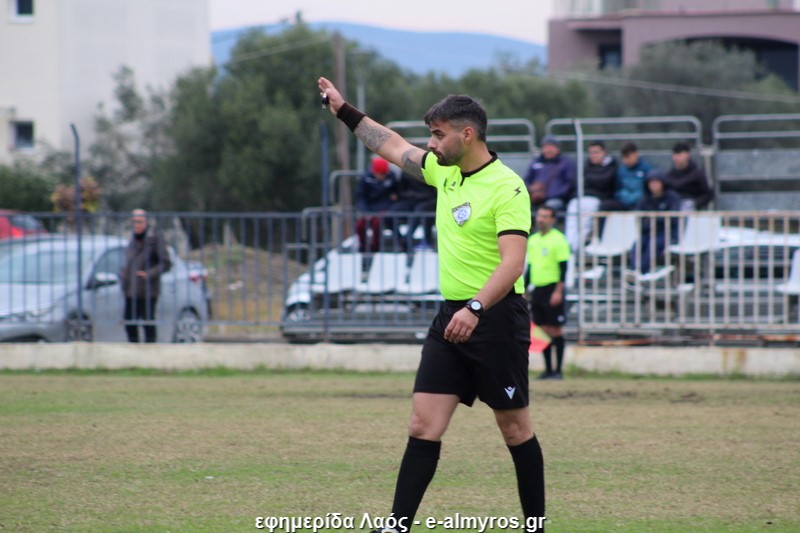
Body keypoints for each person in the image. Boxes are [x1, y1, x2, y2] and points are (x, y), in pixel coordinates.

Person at [318, 76, 546, 532]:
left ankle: (535, 526)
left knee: (515, 429)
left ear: (468, 134)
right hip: (450, 318)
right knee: (423, 425)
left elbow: (513, 264)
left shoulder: (508, 188)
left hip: (495, 319)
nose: (431, 144)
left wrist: (475, 309)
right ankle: (396, 526)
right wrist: (344, 111)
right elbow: (392, 146)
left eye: (438, 134)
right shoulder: (444, 172)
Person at [527, 206, 571, 380]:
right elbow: (530, 267)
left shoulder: (559, 239)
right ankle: (548, 370)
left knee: (555, 329)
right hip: (538, 289)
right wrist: (524, 289)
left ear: (552, 220)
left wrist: (558, 291)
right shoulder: (533, 240)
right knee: (542, 330)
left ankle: (558, 370)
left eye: (545, 216)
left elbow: (563, 268)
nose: (541, 219)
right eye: (539, 216)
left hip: (552, 288)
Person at [120, 209, 171, 343]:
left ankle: (150, 349)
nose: (136, 225)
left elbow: (166, 263)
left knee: (148, 322)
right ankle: (134, 348)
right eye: (134, 221)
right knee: (129, 321)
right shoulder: (132, 240)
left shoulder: (155, 239)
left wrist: (149, 274)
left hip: (148, 290)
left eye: (139, 221)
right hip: (131, 289)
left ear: (146, 222)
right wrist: (124, 272)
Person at [564, 140, 618, 251]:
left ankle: (577, 250)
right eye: (591, 153)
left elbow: (604, 182)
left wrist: (591, 180)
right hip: (579, 198)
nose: (593, 155)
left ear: (604, 152)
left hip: (596, 199)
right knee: (571, 222)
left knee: (585, 225)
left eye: (596, 152)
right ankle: (569, 249)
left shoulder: (611, 166)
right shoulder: (586, 166)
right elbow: (578, 182)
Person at [628, 171, 681, 275]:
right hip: (648, 232)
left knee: (654, 245)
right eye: (651, 183)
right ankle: (634, 270)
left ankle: (641, 272)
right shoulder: (646, 199)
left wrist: (654, 219)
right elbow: (639, 214)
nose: (653, 185)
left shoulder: (672, 197)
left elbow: (673, 217)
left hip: (666, 232)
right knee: (638, 245)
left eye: (656, 182)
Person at [355, 157, 399, 253]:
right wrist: (365, 212)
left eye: (384, 174)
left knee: (377, 223)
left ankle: (375, 247)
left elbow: (396, 192)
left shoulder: (391, 176)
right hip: (369, 208)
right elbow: (361, 197)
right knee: (360, 225)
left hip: (385, 208)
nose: (383, 176)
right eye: (381, 174)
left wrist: (395, 197)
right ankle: (363, 246)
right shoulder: (365, 178)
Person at [387, 170, 437, 252]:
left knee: (417, 213)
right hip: (409, 199)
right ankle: (401, 241)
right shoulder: (405, 171)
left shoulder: (428, 169)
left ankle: (406, 239)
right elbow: (401, 189)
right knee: (389, 215)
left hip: (426, 200)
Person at [524, 135, 575, 213]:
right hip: (535, 198)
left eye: (551, 147)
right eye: (545, 147)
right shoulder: (536, 162)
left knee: (547, 208)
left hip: (556, 199)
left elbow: (569, 183)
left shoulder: (565, 162)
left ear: (557, 148)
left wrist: (552, 194)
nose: (548, 150)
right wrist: (532, 190)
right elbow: (527, 180)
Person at [666, 141, 713, 211]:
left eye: (679, 154)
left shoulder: (697, 174)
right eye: (674, 155)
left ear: (687, 155)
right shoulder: (670, 174)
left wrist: (695, 203)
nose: (676, 158)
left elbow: (708, 194)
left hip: (693, 212)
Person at [610, 142, 652, 211]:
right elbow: (617, 189)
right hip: (623, 203)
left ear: (636, 154)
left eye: (628, 156)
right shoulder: (621, 171)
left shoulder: (646, 169)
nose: (626, 160)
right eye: (624, 157)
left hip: (641, 204)